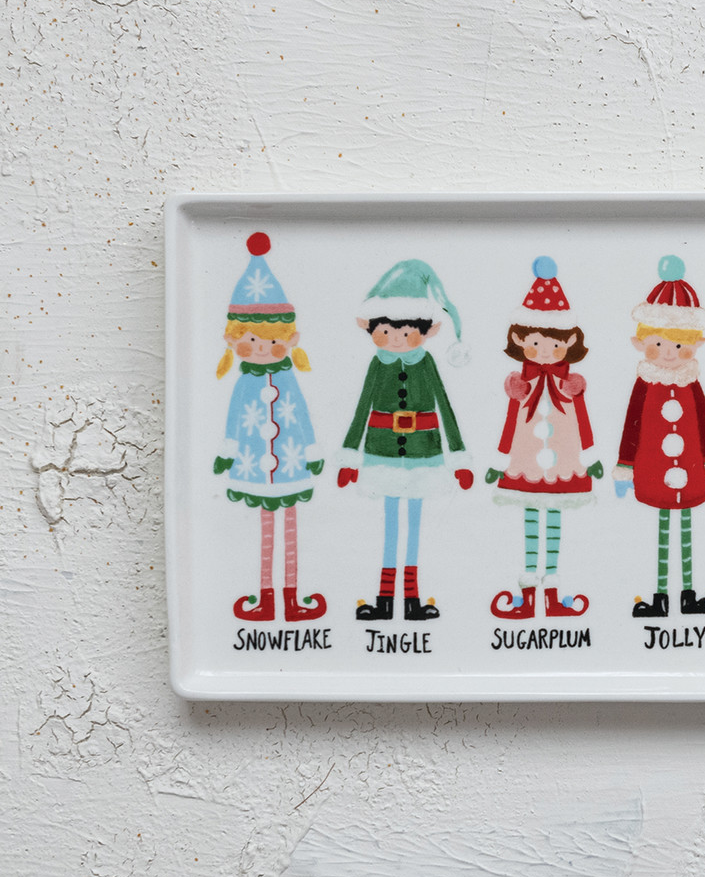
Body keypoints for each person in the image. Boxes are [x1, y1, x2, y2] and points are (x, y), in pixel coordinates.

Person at [337, 259, 472, 621]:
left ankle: (412, 601)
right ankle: (384, 601)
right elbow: (362, 407)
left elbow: (444, 406)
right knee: (390, 526)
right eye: (386, 331)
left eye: (407, 331)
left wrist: (458, 456)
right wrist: (350, 455)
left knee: (413, 528)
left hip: (423, 453)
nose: (396, 338)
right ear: (371, 329)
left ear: (427, 331)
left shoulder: (426, 364)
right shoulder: (376, 365)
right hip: (381, 451)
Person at [214, 232, 326, 622]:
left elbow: (301, 415)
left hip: (291, 462)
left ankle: (292, 600)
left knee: (289, 523)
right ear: (233, 340)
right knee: (266, 524)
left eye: (272, 339)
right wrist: (228, 452)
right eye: (251, 338)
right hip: (251, 462)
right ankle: (265, 598)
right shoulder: (244, 382)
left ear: (290, 340)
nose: (262, 347)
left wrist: (311, 451)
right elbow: (234, 418)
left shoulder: (289, 378)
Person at [486, 256, 601, 620]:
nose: (546, 351)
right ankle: (526, 594)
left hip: (564, 463)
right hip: (526, 463)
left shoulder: (570, 385)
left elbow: (583, 421)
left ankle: (551, 591)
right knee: (530, 518)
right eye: (536, 343)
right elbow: (510, 423)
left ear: (569, 342)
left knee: (554, 518)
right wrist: (499, 461)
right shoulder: (521, 385)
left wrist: (591, 456)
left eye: (554, 343)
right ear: (521, 340)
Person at [614, 255, 705, 617]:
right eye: (659, 344)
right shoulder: (644, 384)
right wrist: (624, 468)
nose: (668, 355)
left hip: (691, 470)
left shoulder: (691, 383)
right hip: (652, 469)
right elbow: (631, 427)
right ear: (641, 343)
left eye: (679, 346)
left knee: (686, 526)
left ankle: (688, 596)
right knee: (665, 526)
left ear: (695, 345)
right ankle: (661, 597)